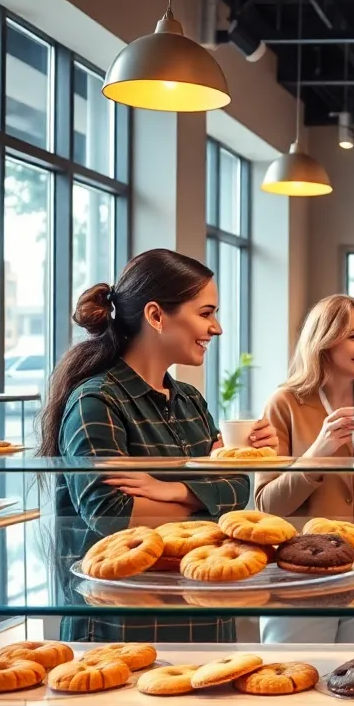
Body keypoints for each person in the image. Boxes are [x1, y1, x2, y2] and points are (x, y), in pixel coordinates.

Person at [39, 249, 278, 643]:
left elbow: (238, 491)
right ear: (156, 316)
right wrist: (205, 499)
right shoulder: (96, 401)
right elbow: (114, 517)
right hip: (122, 626)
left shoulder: (189, 399)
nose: (216, 328)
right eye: (206, 313)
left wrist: (172, 491)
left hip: (205, 612)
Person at [255, 294, 354, 644]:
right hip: (300, 575)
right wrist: (318, 453)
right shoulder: (285, 404)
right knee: (294, 680)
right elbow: (267, 506)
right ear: (324, 342)